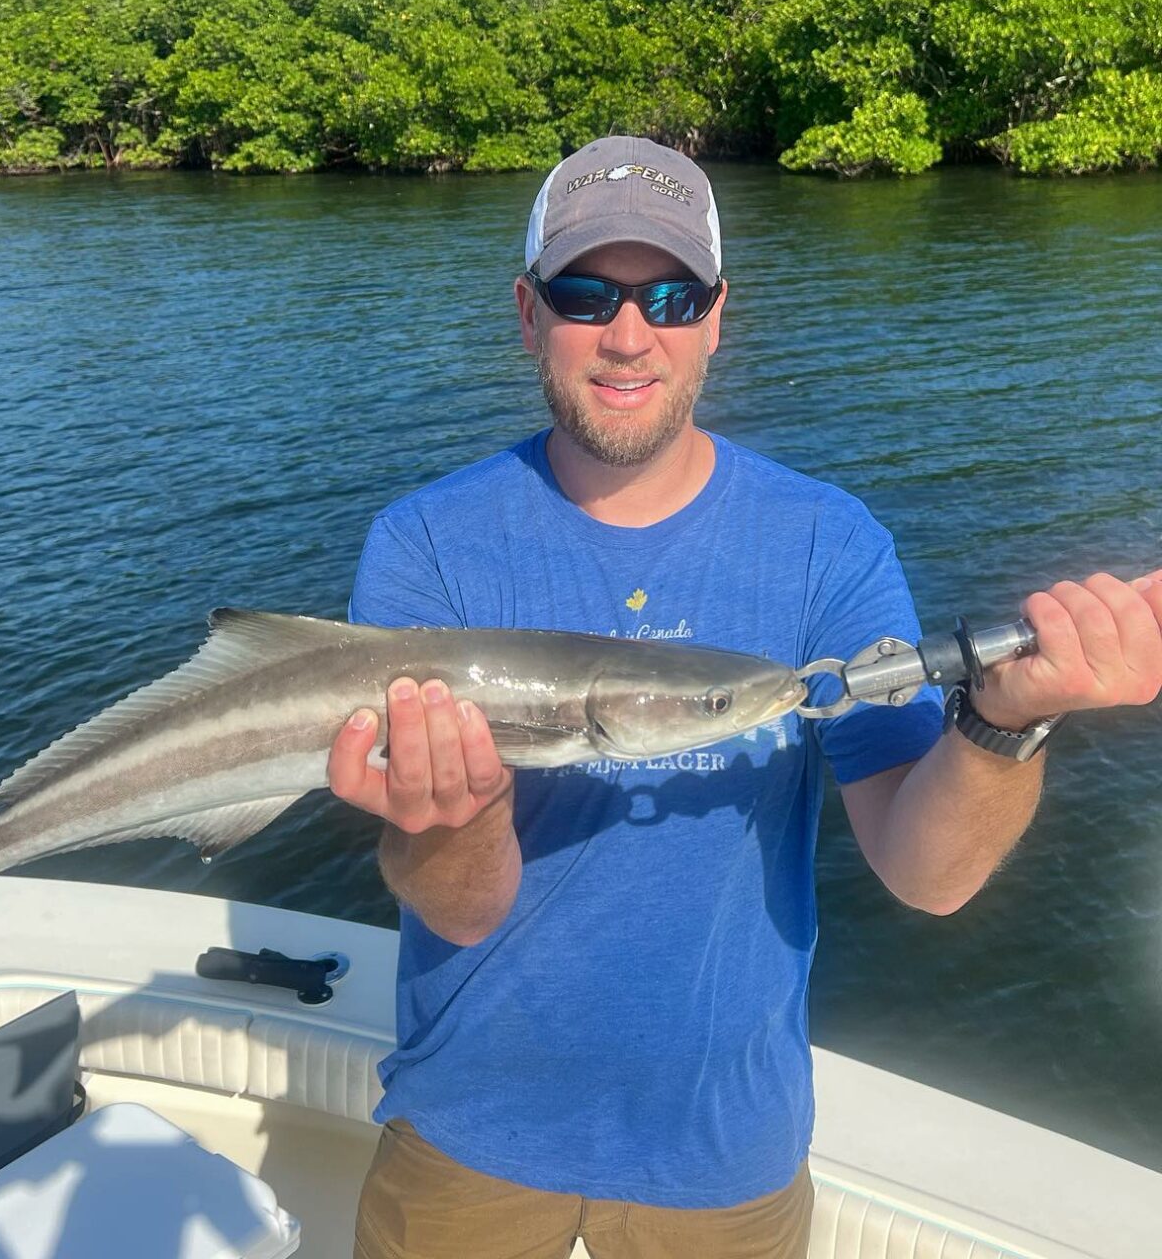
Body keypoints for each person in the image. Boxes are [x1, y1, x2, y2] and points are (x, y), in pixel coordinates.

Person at [327, 135, 1162, 1259]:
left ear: (717, 316)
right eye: (587, 294)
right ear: (526, 313)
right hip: (466, 1129)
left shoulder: (824, 544)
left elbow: (928, 877)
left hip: (723, 1155)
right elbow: (460, 908)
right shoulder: (423, 544)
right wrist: (458, 812)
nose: (629, 335)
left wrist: (1003, 719)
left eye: (670, 298)